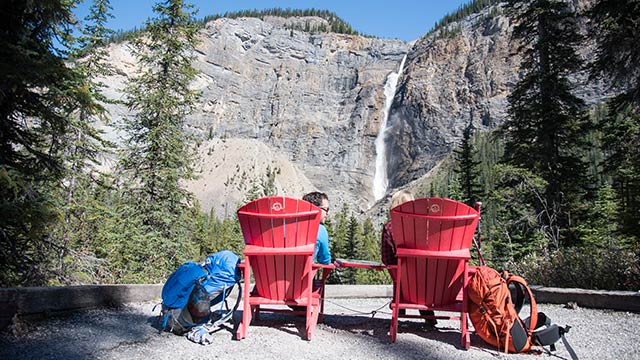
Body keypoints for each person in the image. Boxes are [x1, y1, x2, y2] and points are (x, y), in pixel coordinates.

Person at [381, 190, 437, 327]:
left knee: (401, 271)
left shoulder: (389, 227)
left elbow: (387, 258)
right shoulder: (427, 227)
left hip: (403, 280)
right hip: (429, 282)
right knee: (420, 274)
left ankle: (400, 307)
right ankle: (428, 315)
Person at [303, 191, 331, 264]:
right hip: (303, 274)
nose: (328, 213)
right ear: (316, 209)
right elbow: (325, 260)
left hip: (274, 274)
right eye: (326, 209)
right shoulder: (320, 230)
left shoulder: (285, 226)